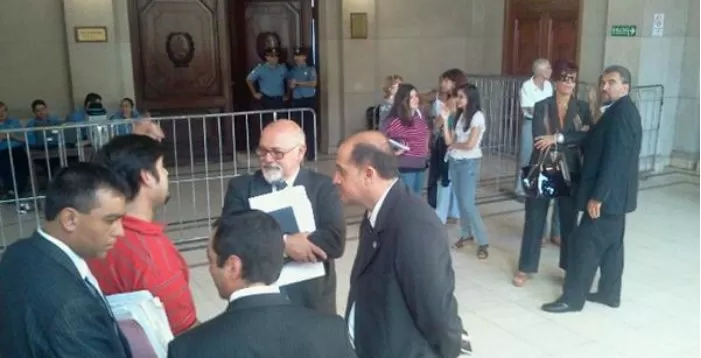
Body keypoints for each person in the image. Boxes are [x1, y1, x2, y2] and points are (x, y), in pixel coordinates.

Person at [334, 131, 464, 357]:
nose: (335, 179)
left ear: (368, 174)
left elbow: (437, 314)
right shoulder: (376, 211)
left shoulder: (414, 225)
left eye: (342, 172)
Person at [167, 210, 356, 358]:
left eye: (210, 260)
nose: (210, 269)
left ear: (233, 267)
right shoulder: (332, 331)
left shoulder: (187, 349)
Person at [0, 163, 132, 357]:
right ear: (70, 219)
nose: (120, 232)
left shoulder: (17, 252)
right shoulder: (73, 308)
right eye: (110, 220)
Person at [542, 65, 642, 313]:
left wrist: (598, 197)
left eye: (611, 82)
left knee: (584, 246)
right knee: (612, 247)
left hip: (607, 197)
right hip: (618, 198)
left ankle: (572, 299)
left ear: (625, 87)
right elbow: (592, 138)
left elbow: (616, 160)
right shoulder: (618, 111)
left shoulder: (622, 115)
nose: (605, 87)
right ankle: (610, 293)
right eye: (603, 82)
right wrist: (561, 138)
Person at [221, 119, 345, 314]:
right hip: (260, 300)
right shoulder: (241, 188)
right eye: (262, 151)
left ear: (300, 153)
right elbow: (230, 239)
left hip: (312, 301)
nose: (268, 159)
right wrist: (284, 243)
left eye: (277, 153)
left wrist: (262, 242)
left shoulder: (323, 187)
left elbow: (334, 241)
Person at [88, 134, 199, 335]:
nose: (166, 173)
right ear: (147, 176)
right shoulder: (151, 256)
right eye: (162, 166)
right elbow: (187, 335)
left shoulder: (90, 233)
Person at [512, 60, 593, 287]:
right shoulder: (542, 106)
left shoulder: (583, 108)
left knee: (568, 222)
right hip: (545, 168)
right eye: (564, 78)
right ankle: (526, 266)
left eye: (572, 79)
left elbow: (587, 136)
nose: (568, 83)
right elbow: (540, 138)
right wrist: (570, 138)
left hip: (571, 169)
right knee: (535, 218)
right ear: (556, 81)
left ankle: (569, 268)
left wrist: (559, 138)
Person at [436, 83, 490, 259]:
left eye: (461, 97)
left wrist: (453, 145)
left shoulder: (477, 117)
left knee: (468, 203)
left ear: (470, 98)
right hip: (455, 161)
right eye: (457, 96)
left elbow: (470, 144)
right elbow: (448, 139)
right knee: (460, 200)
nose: (457, 100)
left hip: (469, 163)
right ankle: (466, 234)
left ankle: (483, 241)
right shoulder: (459, 116)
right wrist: (444, 120)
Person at [515, 59, 561, 245]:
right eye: (548, 67)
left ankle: (553, 231)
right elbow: (528, 108)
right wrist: (545, 111)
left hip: (548, 126)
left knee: (550, 168)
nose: (551, 70)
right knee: (530, 164)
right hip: (530, 125)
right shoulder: (527, 86)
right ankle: (537, 227)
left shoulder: (549, 86)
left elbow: (551, 107)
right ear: (539, 70)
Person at [427, 69, 467, 225]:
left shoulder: (451, 102)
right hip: (456, 143)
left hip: (446, 141)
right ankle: (454, 211)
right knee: (452, 177)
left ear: (454, 83)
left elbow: (438, 122)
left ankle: (440, 213)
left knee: (444, 178)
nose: (442, 84)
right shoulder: (462, 100)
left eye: (446, 81)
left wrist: (433, 124)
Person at [381, 83, 431, 194]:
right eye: (411, 97)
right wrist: (394, 152)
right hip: (404, 166)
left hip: (420, 165)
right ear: (404, 100)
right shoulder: (394, 120)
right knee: (406, 200)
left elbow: (425, 136)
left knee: (416, 199)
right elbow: (381, 141)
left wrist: (426, 152)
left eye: (416, 96)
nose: (415, 99)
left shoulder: (420, 118)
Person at [287, 47, 318, 161]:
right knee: (297, 128)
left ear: (304, 57)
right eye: (296, 56)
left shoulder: (310, 69)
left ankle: (311, 153)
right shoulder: (292, 71)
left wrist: (298, 83)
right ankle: (298, 154)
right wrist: (291, 86)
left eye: (300, 56)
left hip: (308, 100)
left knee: (309, 127)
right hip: (297, 100)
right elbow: (290, 85)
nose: (297, 58)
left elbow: (313, 83)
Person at [0, 101, 31, 211]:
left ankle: (18, 191)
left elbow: (24, 139)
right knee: (6, 166)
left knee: (23, 165)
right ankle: (11, 190)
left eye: (4, 111)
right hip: (2, 151)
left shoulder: (14, 122)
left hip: (17, 149)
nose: (2, 114)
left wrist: (11, 136)